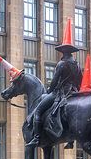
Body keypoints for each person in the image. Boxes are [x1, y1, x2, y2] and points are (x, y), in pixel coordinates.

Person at [26, 19, 83, 147]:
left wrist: (48, 92)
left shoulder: (62, 64)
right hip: (73, 92)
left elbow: (54, 81)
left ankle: (36, 137)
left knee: (38, 111)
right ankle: (71, 140)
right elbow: (80, 81)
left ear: (63, 51)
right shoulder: (77, 65)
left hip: (60, 93)